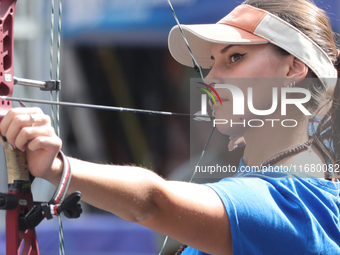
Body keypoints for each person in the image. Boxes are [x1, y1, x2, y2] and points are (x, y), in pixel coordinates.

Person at [1, 0, 340, 254]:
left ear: (294, 68)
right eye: (210, 63)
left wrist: (60, 168)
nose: (210, 79)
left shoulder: (300, 206)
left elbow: (152, 201)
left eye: (235, 57)